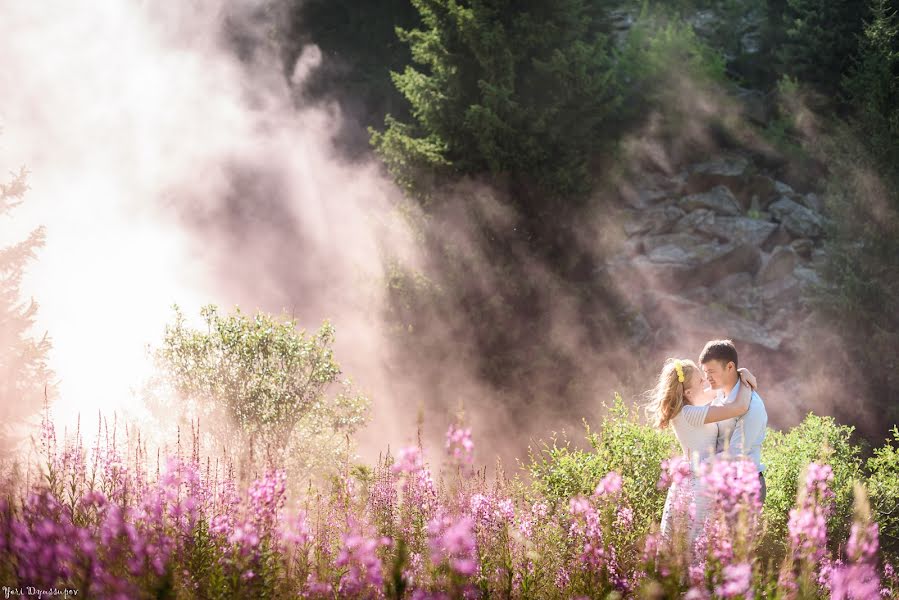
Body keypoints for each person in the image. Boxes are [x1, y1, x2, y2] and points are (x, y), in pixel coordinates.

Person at [647, 358, 756, 542]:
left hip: (688, 481)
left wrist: (739, 374)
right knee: (696, 546)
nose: (706, 383)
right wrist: (745, 383)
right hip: (699, 486)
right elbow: (740, 407)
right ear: (688, 392)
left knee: (682, 545)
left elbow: (714, 392)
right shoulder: (690, 414)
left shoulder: (684, 410)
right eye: (700, 381)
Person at [699, 339, 769, 503]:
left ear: (730, 367)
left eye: (711, 371)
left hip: (745, 490)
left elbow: (735, 455)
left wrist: (696, 466)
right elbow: (693, 397)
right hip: (720, 484)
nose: (707, 377)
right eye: (705, 372)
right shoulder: (719, 392)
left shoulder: (753, 406)